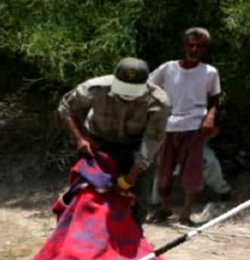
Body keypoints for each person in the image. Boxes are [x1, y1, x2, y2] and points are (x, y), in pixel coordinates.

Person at [58, 57, 171, 228]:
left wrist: (132, 175)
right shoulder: (94, 88)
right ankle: (82, 236)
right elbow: (66, 107)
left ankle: (133, 237)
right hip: (99, 144)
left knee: (138, 200)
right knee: (86, 194)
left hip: (136, 147)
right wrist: (80, 138)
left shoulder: (158, 102)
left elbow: (151, 141)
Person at [147, 27, 222, 226]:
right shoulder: (168, 68)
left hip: (193, 126)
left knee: (192, 173)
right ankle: (165, 208)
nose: (194, 49)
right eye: (190, 44)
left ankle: (186, 214)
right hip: (168, 126)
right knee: (163, 174)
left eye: (199, 46)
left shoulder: (209, 72)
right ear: (184, 45)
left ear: (205, 49)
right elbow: (149, 87)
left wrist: (210, 117)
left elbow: (215, 98)